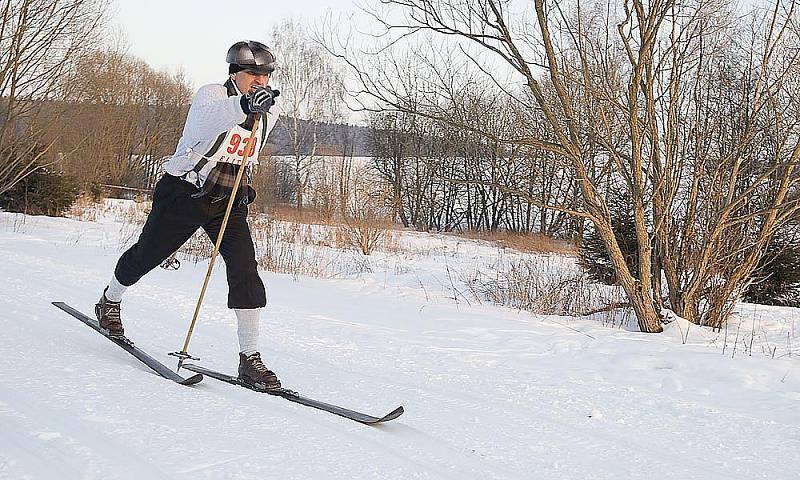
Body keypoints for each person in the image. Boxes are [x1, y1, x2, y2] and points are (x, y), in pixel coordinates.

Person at [95, 41, 282, 389]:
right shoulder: (211, 96)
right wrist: (242, 105)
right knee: (148, 254)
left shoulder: (269, 114)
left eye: (265, 75)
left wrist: (255, 111)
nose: (260, 81)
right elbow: (204, 126)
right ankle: (109, 301)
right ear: (234, 74)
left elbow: (245, 156)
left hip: (227, 199)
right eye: (252, 74)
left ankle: (250, 358)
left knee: (245, 269)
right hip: (184, 192)